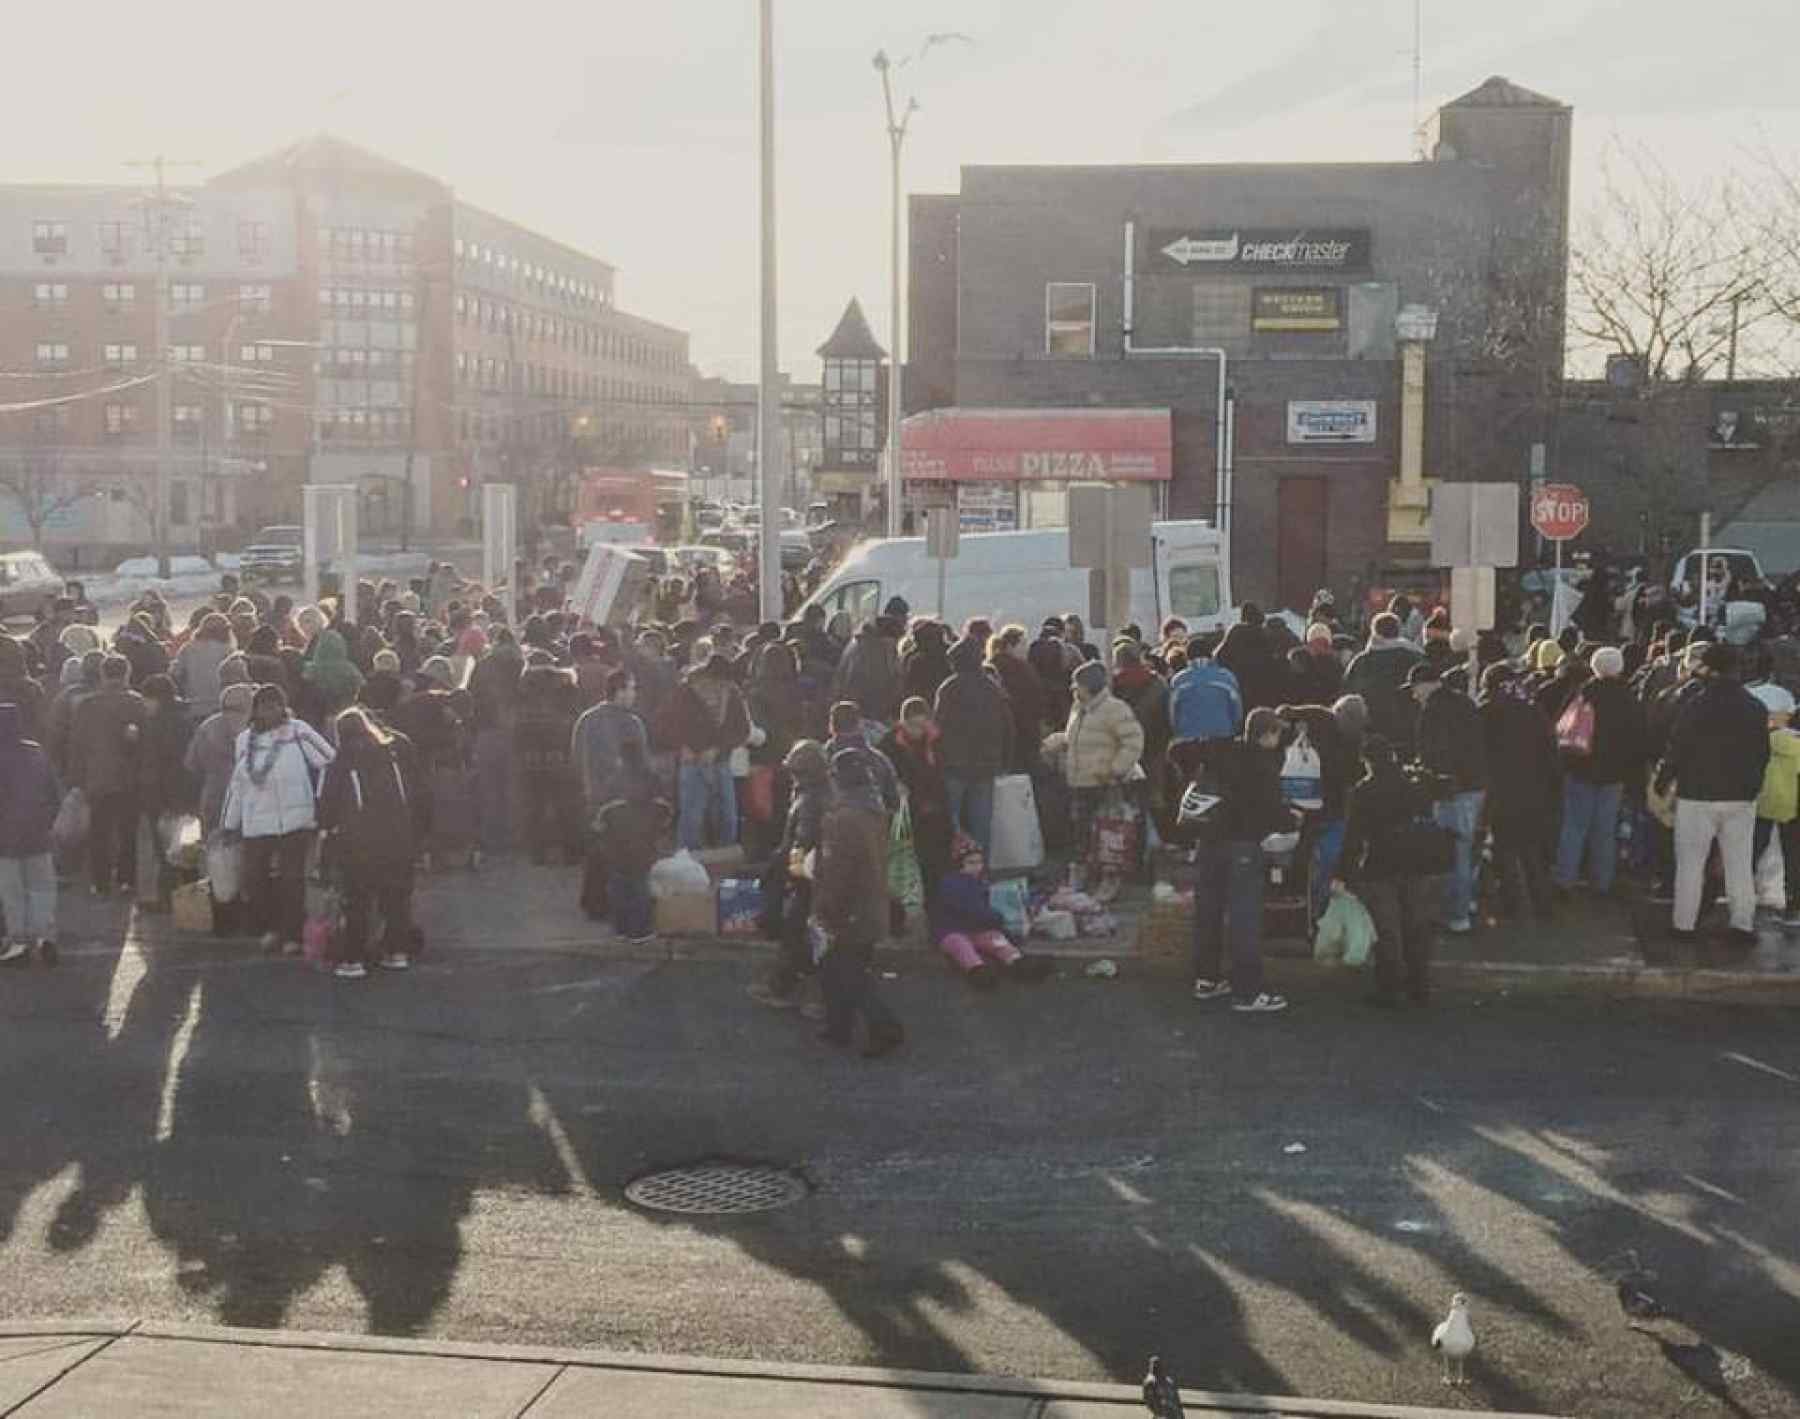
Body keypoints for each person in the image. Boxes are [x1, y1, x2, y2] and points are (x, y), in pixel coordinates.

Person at [1181, 707, 1295, 1013]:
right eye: (1277, 733)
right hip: (1243, 846)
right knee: (1244, 918)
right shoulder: (1262, 765)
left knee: (1209, 912)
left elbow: (1178, 750)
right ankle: (1248, 991)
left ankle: (1207, 979)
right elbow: (1272, 810)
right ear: (1267, 734)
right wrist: (1293, 820)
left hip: (1209, 844)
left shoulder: (1221, 752)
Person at [1657, 644, 1769, 944]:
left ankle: (1684, 924)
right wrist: (1753, 786)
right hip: (1740, 795)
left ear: (1709, 668)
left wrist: (1664, 779)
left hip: (1697, 793)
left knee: (1691, 864)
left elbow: (1678, 746)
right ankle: (1742, 924)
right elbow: (1762, 753)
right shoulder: (1755, 707)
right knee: (1739, 864)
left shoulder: (1697, 704)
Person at [222, 684, 335, 955]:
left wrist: (323, 804)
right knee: (255, 879)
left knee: (292, 880)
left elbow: (330, 761)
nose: (270, 711)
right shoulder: (244, 740)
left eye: (276, 705)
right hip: (256, 821)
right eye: (264, 706)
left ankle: (292, 934)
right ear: (256, 710)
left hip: (294, 819)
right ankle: (270, 929)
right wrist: (228, 823)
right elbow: (237, 785)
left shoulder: (298, 731)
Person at [316, 706, 422, 979]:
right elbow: (416, 793)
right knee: (395, 897)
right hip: (398, 836)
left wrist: (327, 833)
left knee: (357, 900)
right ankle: (396, 952)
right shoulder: (392, 756)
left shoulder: (340, 763)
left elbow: (326, 809)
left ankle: (353, 959)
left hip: (357, 841)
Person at [812, 750, 905, 1057]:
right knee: (839, 969)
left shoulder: (840, 821)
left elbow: (838, 871)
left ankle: (883, 1026)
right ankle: (838, 1027)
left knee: (844, 971)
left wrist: (825, 909)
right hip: (872, 903)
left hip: (849, 910)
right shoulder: (875, 813)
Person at [1336, 737, 1438, 1007]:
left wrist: (1343, 871)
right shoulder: (1414, 785)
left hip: (1380, 864)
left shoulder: (1363, 791)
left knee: (1387, 928)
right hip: (1416, 862)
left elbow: (1353, 836)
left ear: (1367, 761)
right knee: (1416, 925)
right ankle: (1420, 986)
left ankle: (1390, 987)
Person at [1044, 660, 1145, 900]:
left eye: (1076, 684)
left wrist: (1115, 769)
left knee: (1109, 835)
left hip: (1105, 783)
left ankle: (1110, 881)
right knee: (1081, 834)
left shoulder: (1115, 709)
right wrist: (1052, 743)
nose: (1072, 688)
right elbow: (1074, 738)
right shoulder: (1078, 709)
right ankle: (1078, 878)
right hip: (1079, 782)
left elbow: (1133, 741)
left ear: (1090, 686)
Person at [747, 739, 832, 1011]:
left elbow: (801, 843)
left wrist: (791, 876)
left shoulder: (810, 799)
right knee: (805, 936)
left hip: (811, 877)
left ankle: (793, 990)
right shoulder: (824, 792)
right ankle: (789, 984)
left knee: (798, 933)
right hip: (822, 875)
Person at [1552, 646, 1643, 897]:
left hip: (1580, 768)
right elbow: (1637, 737)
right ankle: (1602, 881)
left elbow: (1563, 728)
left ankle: (1565, 879)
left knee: (1574, 826)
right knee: (1605, 829)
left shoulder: (1583, 693)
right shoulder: (1629, 698)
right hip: (1614, 773)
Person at [1409, 662, 1486, 933]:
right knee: (1467, 849)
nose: (1413, 694)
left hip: (1450, 790)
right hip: (1475, 786)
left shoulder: (1432, 711)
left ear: (1426, 684)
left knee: (1452, 854)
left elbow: (1433, 755)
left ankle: (1457, 914)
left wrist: (1425, 778)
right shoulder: (1465, 703)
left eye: (1415, 688)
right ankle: (1468, 903)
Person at [1478, 665, 1559, 924]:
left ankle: (1511, 904)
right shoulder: (1533, 711)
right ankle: (1542, 904)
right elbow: (1551, 751)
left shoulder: (1486, 712)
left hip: (1500, 791)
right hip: (1534, 790)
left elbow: (1478, 752)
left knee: (1503, 851)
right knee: (1531, 851)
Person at [68, 655, 148, 897]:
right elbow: (144, 742)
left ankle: (100, 882)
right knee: (128, 830)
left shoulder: (86, 705)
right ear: (127, 674)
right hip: (128, 778)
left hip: (97, 777)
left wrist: (76, 779)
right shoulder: (137, 703)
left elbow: (76, 744)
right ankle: (126, 879)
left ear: (103, 675)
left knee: (99, 831)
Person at [928, 834, 1052, 988]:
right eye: (971, 863)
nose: (976, 867)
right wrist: (995, 918)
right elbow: (972, 910)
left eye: (979, 862)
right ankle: (977, 970)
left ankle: (1017, 962)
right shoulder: (950, 884)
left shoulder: (979, 882)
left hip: (977, 929)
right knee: (960, 946)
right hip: (952, 930)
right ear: (959, 864)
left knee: (996, 939)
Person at [933, 637, 1014, 854]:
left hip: (954, 766)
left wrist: (937, 760)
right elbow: (1008, 727)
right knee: (981, 828)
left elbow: (938, 729)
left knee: (952, 825)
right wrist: (1005, 761)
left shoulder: (949, 688)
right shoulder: (993, 688)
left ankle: (954, 870)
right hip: (986, 766)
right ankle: (980, 873)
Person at [670, 643, 750, 850]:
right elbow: (667, 724)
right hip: (693, 762)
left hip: (718, 761)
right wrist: (682, 746)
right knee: (692, 819)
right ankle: (690, 861)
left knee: (727, 817)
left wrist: (718, 749)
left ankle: (722, 859)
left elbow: (742, 729)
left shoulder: (731, 693)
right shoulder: (685, 691)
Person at [0, 701, 61, 965]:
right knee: (42, 887)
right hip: (38, 831)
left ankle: (19, 939)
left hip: (5, 836)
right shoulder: (36, 753)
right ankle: (44, 935)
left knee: (12, 890)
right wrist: (47, 820)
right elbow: (53, 792)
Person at [592, 741, 670, 945]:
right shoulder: (652, 779)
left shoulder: (612, 781)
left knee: (619, 886)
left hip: (616, 846)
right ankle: (641, 930)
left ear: (620, 757)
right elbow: (666, 811)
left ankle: (621, 929)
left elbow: (599, 820)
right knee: (640, 885)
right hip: (644, 844)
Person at [878, 698, 955, 902]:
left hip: (936, 811)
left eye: (922, 725)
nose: (918, 731)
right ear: (903, 722)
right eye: (913, 726)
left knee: (937, 862)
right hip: (908, 813)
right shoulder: (888, 745)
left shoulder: (937, 740)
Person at [514, 654, 582, 865]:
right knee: (566, 806)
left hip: (530, 758)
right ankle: (571, 852)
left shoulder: (523, 692)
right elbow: (575, 721)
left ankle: (537, 854)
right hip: (560, 756)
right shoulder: (567, 690)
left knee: (534, 807)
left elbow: (517, 728)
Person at [1750, 683, 1800, 929]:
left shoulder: (1756, 740)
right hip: (1791, 806)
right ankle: (1794, 905)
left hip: (1761, 803)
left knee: (1753, 848)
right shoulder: (1792, 742)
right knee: (1793, 855)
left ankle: (1744, 895)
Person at [1344, 613, 1424, 755]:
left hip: (1370, 731)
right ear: (1398, 631)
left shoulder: (1360, 662)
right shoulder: (1414, 658)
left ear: (1374, 631)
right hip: (1406, 731)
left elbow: (1347, 694)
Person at [985, 625, 1046, 775]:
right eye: (1023, 644)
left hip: (999, 733)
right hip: (1026, 731)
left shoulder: (990, 666)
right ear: (1011, 646)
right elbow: (1036, 699)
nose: (1026, 649)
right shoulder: (1022, 669)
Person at [1167, 635, 1242, 745]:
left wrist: (1178, 732)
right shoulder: (1227, 677)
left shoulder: (1179, 680)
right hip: (1222, 735)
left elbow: (1172, 714)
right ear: (1211, 654)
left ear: (1187, 656)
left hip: (1189, 738)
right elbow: (1237, 710)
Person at [831, 619, 902, 732]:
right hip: (872, 713)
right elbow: (886, 684)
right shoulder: (878, 651)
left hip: (853, 711)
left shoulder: (857, 645)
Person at [172, 613, 234, 722]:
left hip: (194, 707)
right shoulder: (228, 651)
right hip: (220, 709)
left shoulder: (187, 648)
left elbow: (175, 675)